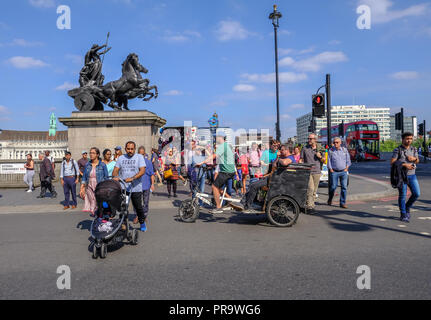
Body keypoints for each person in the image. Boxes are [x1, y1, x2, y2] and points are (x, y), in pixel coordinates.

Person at [234, 144, 293, 211]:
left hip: (275, 180)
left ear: (287, 150)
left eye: (282, 150)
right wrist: (277, 157)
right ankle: (244, 203)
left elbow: (285, 163)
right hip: (272, 178)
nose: (280, 151)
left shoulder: (290, 157)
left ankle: (247, 205)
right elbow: (274, 165)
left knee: (254, 186)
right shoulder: (282, 157)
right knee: (252, 184)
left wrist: (279, 158)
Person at [112, 141, 147, 231]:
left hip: (136, 188)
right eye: (128, 149)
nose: (130, 151)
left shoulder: (139, 157)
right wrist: (115, 176)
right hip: (124, 188)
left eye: (132, 149)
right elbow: (115, 170)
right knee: (123, 206)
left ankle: (142, 222)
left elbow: (142, 171)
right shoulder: (121, 158)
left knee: (138, 207)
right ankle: (123, 223)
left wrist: (133, 178)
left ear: (135, 149)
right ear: (125, 149)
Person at [200, 132, 236, 214]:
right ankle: (229, 199)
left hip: (226, 171)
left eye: (217, 138)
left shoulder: (222, 146)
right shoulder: (226, 146)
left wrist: (202, 162)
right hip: (229, 171)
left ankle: (218, 207)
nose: (215, 139)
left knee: (214, 187)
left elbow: (214, 156)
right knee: (219, 188)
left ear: (221, 137)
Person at [391, 132, 420, 222]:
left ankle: (407, 207)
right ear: (403, 139)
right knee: (402, 195)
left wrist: (414, 159)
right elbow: (392, 162)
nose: (409, 140)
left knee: (416, 194)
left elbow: (417, 161)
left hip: (412, 175)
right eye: (407, 139)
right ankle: (403, 214)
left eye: (411, 139)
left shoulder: (414, 149)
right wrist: (404, 165)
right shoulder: (398, 150)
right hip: (402, 176)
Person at [300, 134, 325, 214]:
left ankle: (311, 205)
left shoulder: (320, 148)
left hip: (317, 171)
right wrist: (301, 165)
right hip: (308, 171)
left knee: (314, 191)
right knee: (310, 189)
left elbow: (324, 160)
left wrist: (320, 156)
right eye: (308, 138)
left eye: (311, 139)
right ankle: (310, 207)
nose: (309, 140)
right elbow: (301, 159)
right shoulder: (304, 148)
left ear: (315, 140)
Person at [80, 147, 109, 216]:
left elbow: (106, 177)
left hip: (99, 187)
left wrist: (106, 188)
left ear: (97, 155)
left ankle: (103, 219)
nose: (91, 154)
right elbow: (84, 177)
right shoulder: (87, 165)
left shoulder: (102, 165)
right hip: (89, 186)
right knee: (93, 203)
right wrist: (82, 188)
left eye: (93, 153)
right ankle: (98, 220)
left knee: (101, 204)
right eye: (90, 153)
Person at [327, 137, 351, 209]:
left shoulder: (344, 150)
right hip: (334, 172)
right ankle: (330, 199)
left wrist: (346, 168)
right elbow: (328, 161)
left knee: (344, 187)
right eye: (334, 142)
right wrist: (331, 169)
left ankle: (342, 203)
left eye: (337, 142)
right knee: (333, 187)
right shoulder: (331, 151)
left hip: (343, 171)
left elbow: (348, 160)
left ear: (340, 143)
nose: (335, 144)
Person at [138, 146, 154, 229]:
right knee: (137, 203)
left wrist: (152, 184)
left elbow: (151, 174)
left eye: (142, 154)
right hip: (137, 186)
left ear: (144, 154)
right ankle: (139, 216)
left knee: (145, 202)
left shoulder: (148, 162)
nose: (141, 155)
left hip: (146, 185)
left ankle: (144, 216)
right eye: (139, 154)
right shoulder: (135, 162)